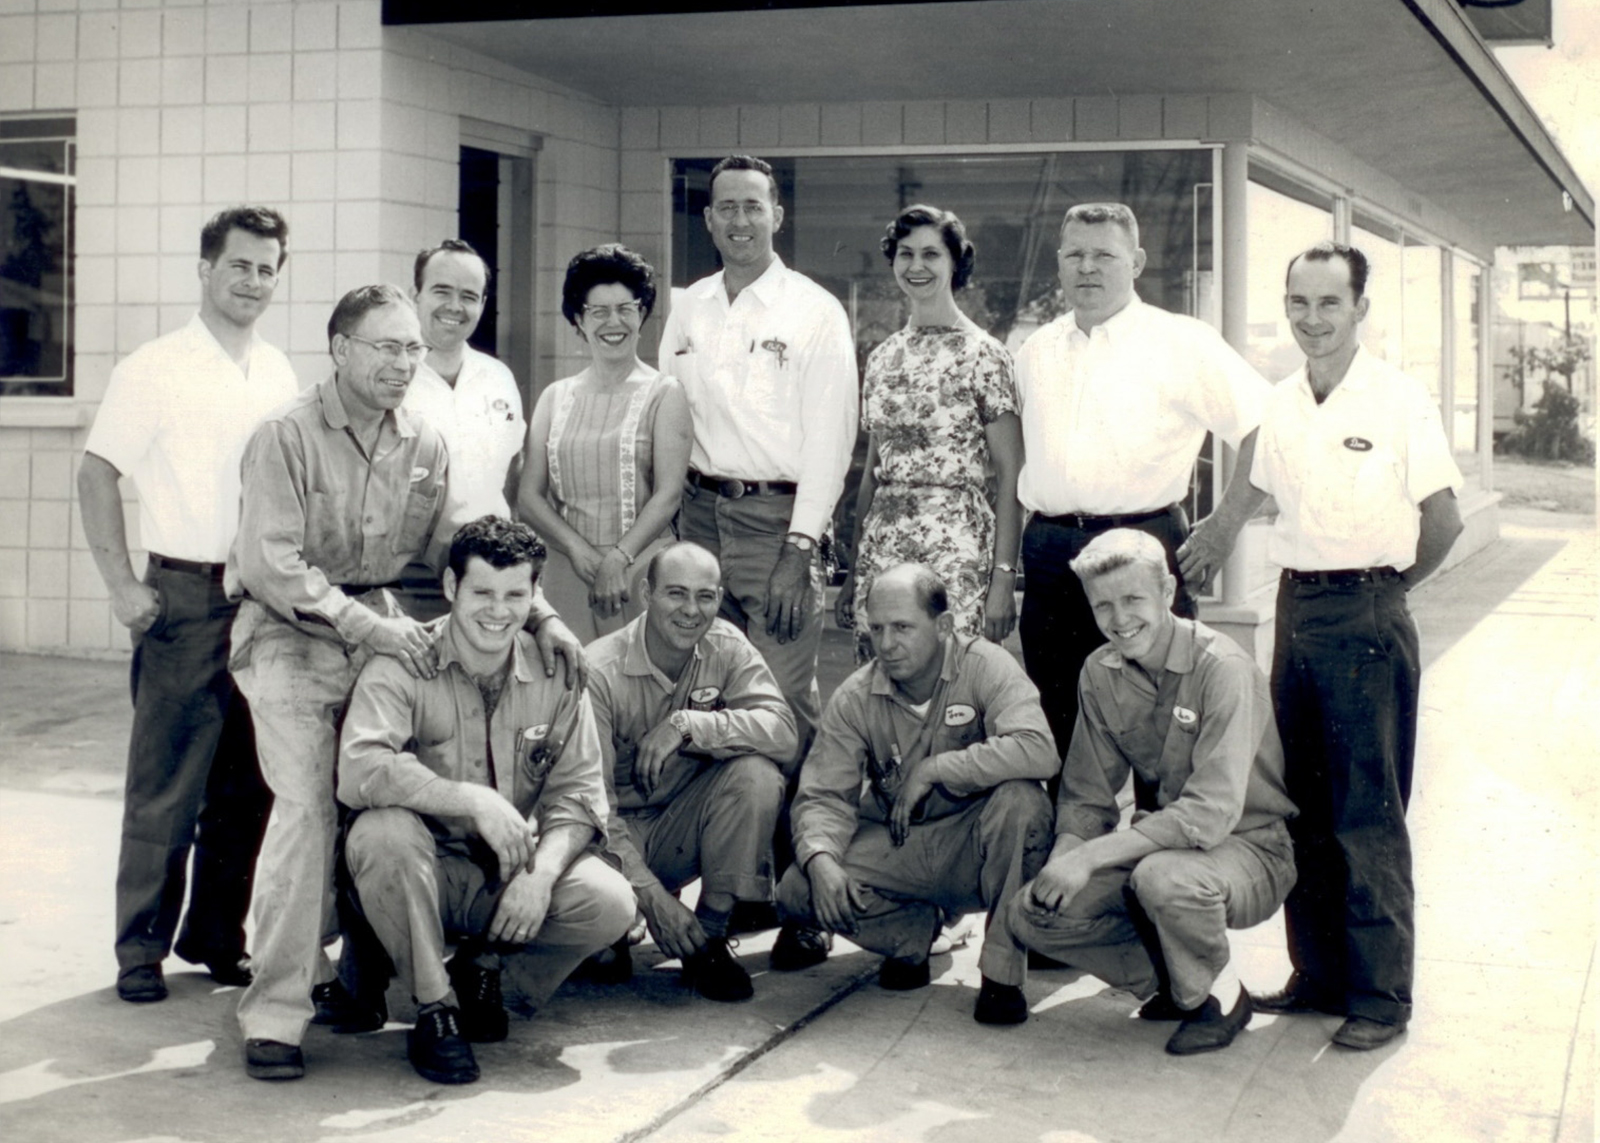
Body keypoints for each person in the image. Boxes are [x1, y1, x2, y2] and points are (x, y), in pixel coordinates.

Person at [225, 284, 581, 1081]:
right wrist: (373, 629)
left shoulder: (425, 438)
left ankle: (361, 974)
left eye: (413, 349)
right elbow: (271, 565)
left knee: (395, 793)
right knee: (314, 806)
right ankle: (277, 1010)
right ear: (341, 349)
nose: (402, 363)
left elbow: (466, 540)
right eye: (386, 346)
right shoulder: (284, 435)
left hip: (379, 625)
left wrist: (543, 616)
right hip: (290, 634)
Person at [78, 205, 298, 1003]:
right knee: (167, 785)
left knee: (248, 781)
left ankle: (215, 934)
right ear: (205, 269)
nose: (253, 280)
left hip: (262, 601)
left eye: (267, 267)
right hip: (182, 592)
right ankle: (140, 948)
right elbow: (96, 471)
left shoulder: (276, 372)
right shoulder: (156, 366)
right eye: (239, 264)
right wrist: (122, 586)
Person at [1248, 242, 1463, 1051]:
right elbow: (1260, 484)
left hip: (1368, 610)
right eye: (1298, 302)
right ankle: (1319, 974)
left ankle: (1380, 994)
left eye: (1329, 303)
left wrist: (1385, 594)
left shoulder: (1399, 399)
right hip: (1295, 606)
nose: (1312, 319)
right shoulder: (1281, 401)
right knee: (1304, 805)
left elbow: (1443, 520)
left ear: (1360, 310)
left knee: (1366, 810)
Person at [337, 517, 634, 1085]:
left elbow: (580, 795)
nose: (498, 611)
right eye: (481, 593)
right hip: (420, 871)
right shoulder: (403, 662)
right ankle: (435, 1007)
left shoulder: (558, 673)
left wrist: (541, 877)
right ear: (451, 588)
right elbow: (360, 769)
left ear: (533, 595)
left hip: (503, 873)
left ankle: (487, 971)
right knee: (381, 834)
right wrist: (471, 798)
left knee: (611, 902)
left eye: (514, 595)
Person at [997, 530, 1297, 1053]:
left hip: (1249, 848)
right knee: (1032, 912)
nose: (1119, 619)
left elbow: (1208, 815)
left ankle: (1221, 998)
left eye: (1134, 599)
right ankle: (1176, 984)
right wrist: (1066, 857)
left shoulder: (1221, 668)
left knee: (1163, 878)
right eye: (1103, 605)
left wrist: (1091, 856)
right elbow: (1087, 797)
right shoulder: (1100, 670)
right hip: (1164, 848)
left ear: (1167, 592)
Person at [1013, 202, 1271, 762]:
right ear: (1058, 263)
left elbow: (1266, 430)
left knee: (1166, 725)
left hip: (1144, 546)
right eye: (1075, 254)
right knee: (1057, 721)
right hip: (1052, 552)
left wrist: (1225, 528)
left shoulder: (1181, 341)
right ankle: (1071, 845)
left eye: (1104, 254)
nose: (1088, 267)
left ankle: (1161, 845)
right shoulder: (1035, 350)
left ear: (1137, 262)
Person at [777, 563, 1056, 1023]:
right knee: (799, 887)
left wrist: (938, 768)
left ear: (943, 625)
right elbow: (825, 793)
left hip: (976, 847)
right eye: (878, 629)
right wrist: (822, 860)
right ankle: (911, 938)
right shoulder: (856, 695)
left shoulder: (985, 665)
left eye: (903, 627)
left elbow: (1039, 749)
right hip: (903, 844)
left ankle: (1003, 971)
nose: (886, 645)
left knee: (1024, 801)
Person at [659, 154, 858, 757]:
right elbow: (666, 415)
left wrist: (800, 550)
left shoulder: (815, 310)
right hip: (698, 518)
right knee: (707, 689)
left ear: (777, 213)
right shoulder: (689, 306)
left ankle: (803, 837)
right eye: (727, 207)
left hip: (778, 529)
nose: (739, 220)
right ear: (707, 219)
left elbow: (832, 441)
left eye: (753, 206)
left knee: (779, 701)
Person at [586, 542, 798, 1002]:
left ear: (720, 598)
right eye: (676, 594)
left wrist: (690, 725)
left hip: (681, 826)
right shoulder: (599, 670)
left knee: (758, 774)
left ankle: (708, 937)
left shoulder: (725, 645)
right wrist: (653, 900)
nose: (691, 610)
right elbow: (591, 810)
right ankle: (617, 928)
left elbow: (783, 733)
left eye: (705, 596)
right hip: (610, 839)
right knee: (601, 955)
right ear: (646, 594)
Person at [837, 205, 1022, 660]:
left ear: (955, 262)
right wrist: (854, 572)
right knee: (883, 680)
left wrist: (1003, 580)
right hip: (885, 547)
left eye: (931, 254)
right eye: (905, 254)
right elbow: (872, 474)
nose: (916, 267)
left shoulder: (986, 355)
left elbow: (1012, 474)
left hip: (956, 547)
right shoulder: (882, 357)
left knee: (952, 679)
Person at [517, 244, 692, 642]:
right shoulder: (554, 396)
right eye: (598, 311)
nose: (613, 322)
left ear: (642, 312)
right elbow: (529, 496)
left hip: (642, 569)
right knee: (566, 687)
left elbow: (668, 495)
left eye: (625, 308)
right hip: (567, 569)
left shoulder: (666, 393)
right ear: (578, 320)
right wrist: (578, 551)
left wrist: (618, 558)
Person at [399, 239, 526, 619]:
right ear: (414, 296)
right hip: (410, 579)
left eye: (469, 295)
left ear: (483, 304)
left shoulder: (498, 377)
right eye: (442, 291)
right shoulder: (392, 377)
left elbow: (512, 473)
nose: (455, 306)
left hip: (490, 575)